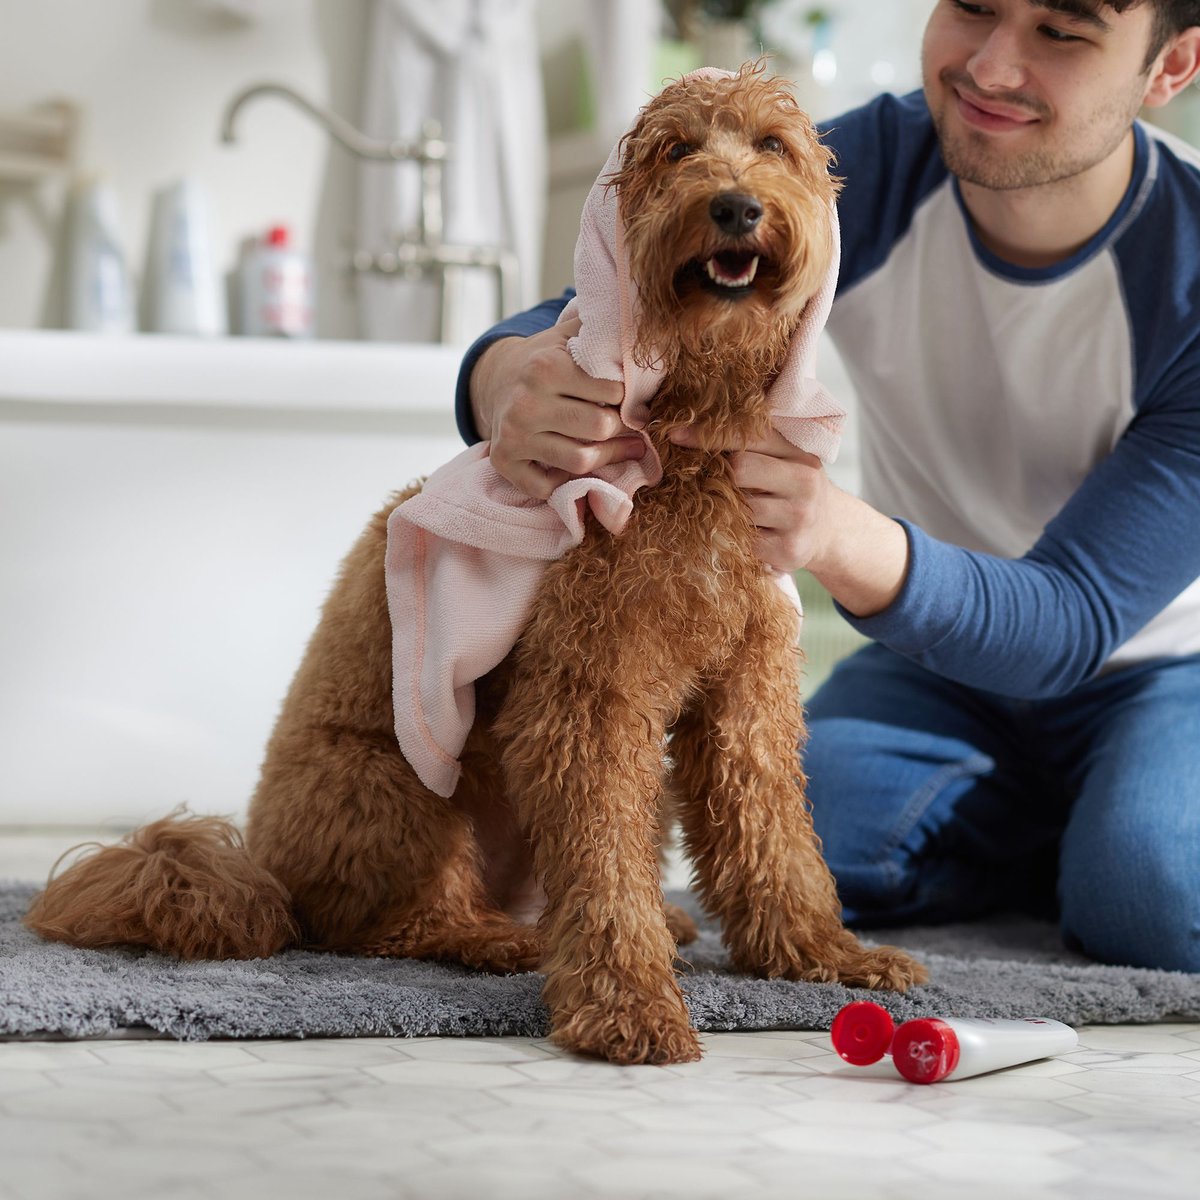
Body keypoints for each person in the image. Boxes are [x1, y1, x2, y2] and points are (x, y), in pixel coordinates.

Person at [453, 0, 1200, 973]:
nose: (991, 67)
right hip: (935, 667)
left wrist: (836, 535)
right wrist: (501, 374)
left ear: (1170, 67)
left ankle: (1108, 819)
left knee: (1151, 901)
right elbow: (609, 291)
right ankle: (1063, 821)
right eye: (972, 7)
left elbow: (1072, 616)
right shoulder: (876, 165)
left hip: (1153, 669)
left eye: (1062, 34)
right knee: (806, 862)